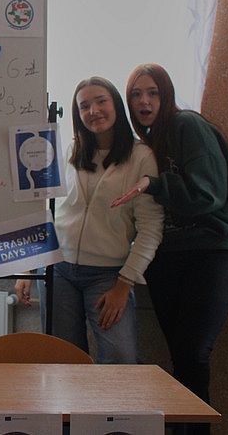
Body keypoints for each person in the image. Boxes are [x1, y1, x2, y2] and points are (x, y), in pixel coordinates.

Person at [113, 63, 228, 418]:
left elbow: (207, 194)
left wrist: (154, 184)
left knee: (193, 352)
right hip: (167, 254)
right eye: (136, 94)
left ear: (166, 95)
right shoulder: (147, 144)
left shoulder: (187, 124)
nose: (144, 101)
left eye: (153, 92)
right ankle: (185, 424)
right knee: (181, 355)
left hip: (212, 249)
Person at [15, 77, 163, 363]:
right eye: (84, 106)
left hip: (108, 276)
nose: (93, 111)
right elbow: (47, 210)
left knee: (121, 359)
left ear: (116, 104)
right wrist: (28, 267)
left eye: (101, 101)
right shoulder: (69, 151)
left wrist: (124, 284)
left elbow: (151, 229)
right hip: (58, 270)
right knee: (63, 360)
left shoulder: (141, 156)